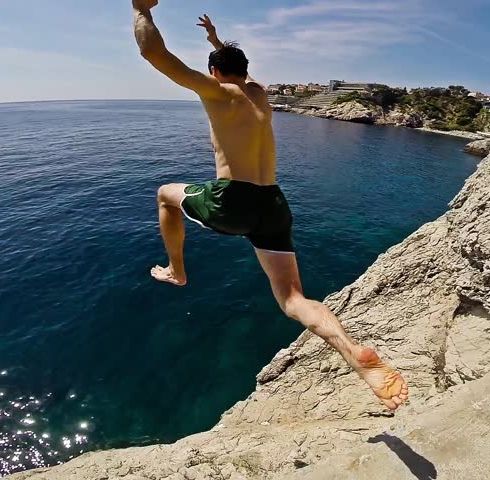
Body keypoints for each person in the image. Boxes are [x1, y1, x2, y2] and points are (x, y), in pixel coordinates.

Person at [132, 0, 408, 410]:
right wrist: (215, 40)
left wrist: (142, 10)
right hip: (274, 203)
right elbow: (235, 68)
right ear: (245, 69)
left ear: (214, 72)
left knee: (163, 194)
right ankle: (355, 354)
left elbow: (154, 53)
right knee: (293, 299)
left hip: (234, 199)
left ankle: (177, 270)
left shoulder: (217, 91)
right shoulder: (259, 93)